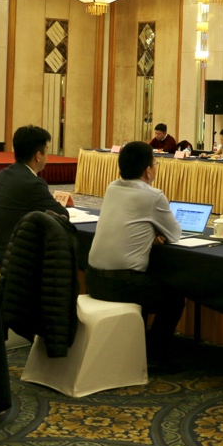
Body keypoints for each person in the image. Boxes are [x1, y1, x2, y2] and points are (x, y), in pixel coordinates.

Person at [87, 141, 186, 366]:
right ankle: (153, 356)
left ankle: (135, 347)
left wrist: (148, 234)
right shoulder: (153, 196)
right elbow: (175, 234)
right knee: (174, 299)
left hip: (93, 279)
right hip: (122, 284)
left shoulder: (112, 188)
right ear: (148, 170)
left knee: (146, 284)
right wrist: (154, 234)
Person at [0, 125, 70, 264]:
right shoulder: (33, 183)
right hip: (15, 259)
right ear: (38, 156)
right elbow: (62, 215)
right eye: (46, 152)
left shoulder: (1, 175)